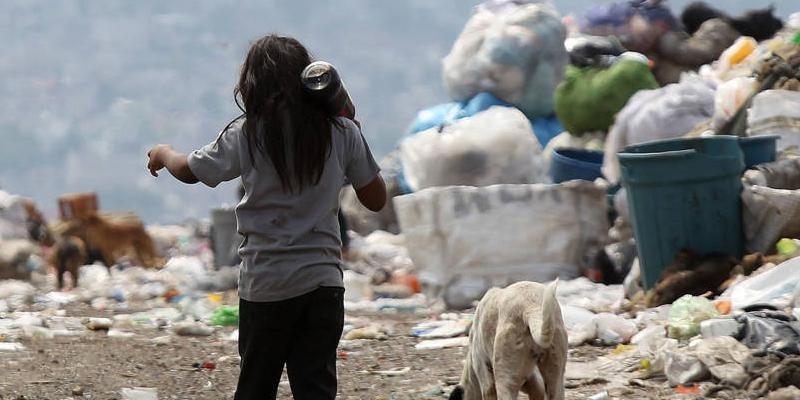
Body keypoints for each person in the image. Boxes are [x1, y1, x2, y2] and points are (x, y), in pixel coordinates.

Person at [146, 34, 386, 399]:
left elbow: (189, 170)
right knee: (316, 387)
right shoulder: (341, 132)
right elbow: (376, 198)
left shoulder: (247, 133)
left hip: (266, 285)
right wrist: (347, 121)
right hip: (323, 284)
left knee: (257, 387)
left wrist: (163, 152)